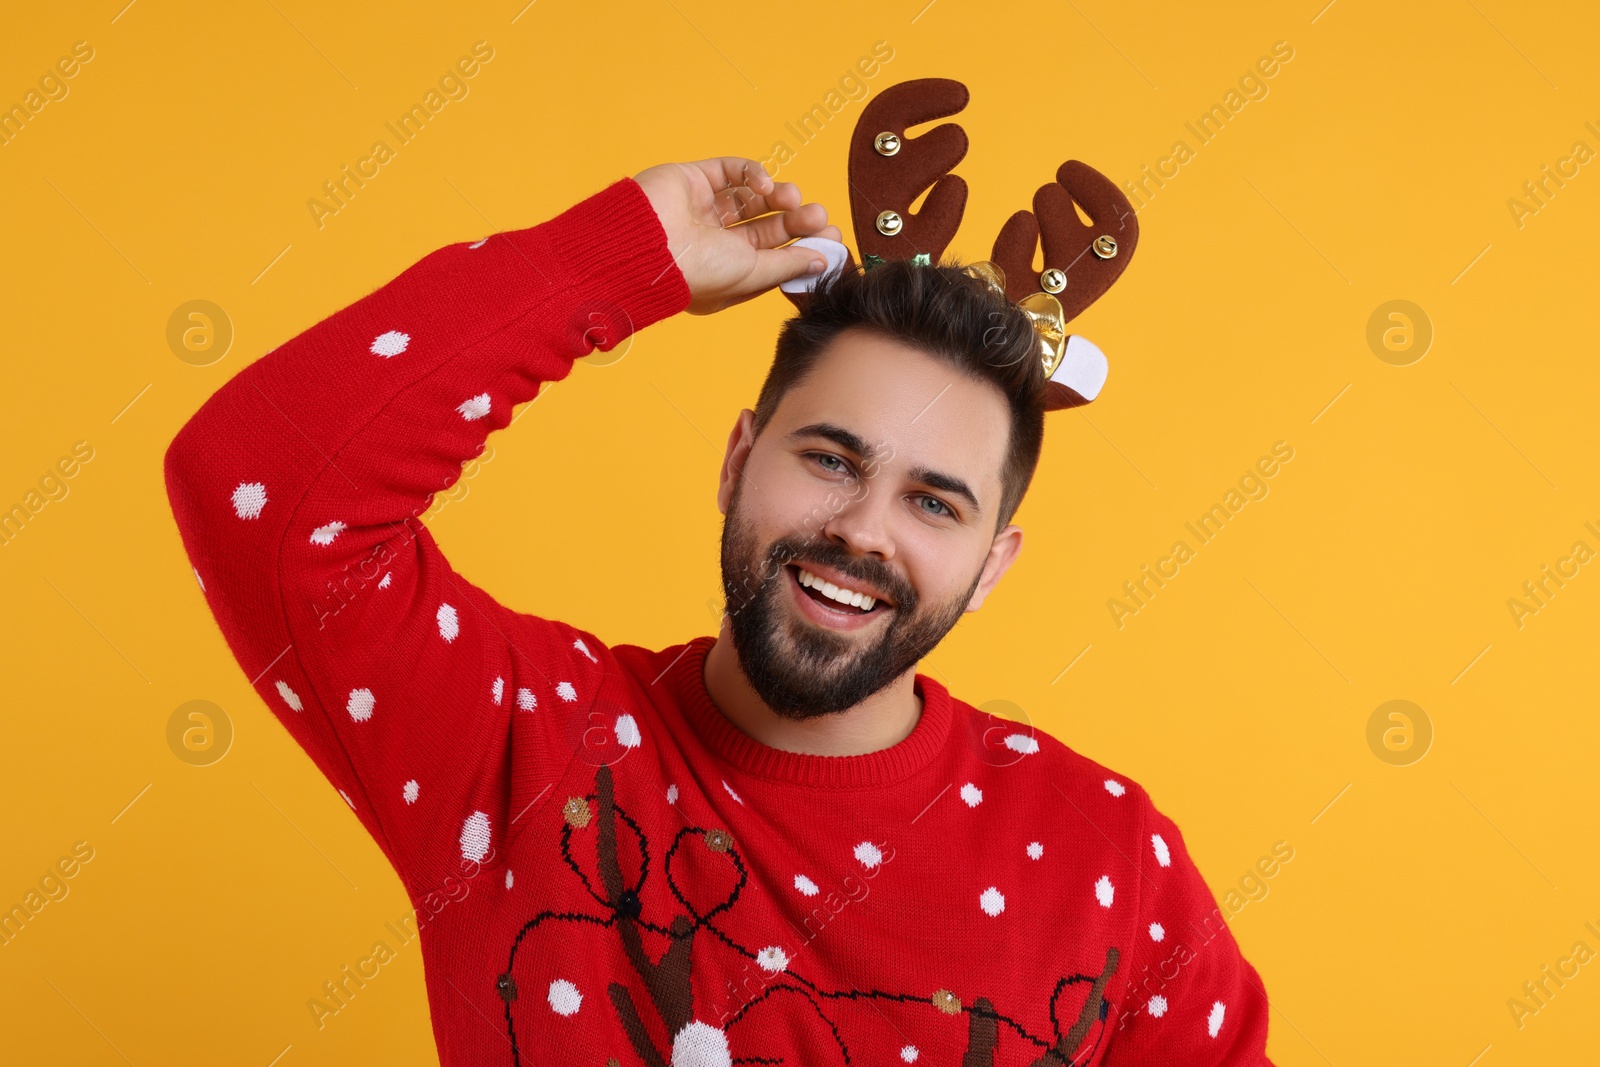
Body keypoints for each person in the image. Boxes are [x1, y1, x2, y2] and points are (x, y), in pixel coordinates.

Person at [163, 156, 1275, 1066]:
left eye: (934, 501)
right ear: (740, 458)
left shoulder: (1110, 857)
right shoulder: (525, 740)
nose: (863, 529)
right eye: (832, 457)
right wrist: (614, 259)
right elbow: (258, 482)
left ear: (992, 564)